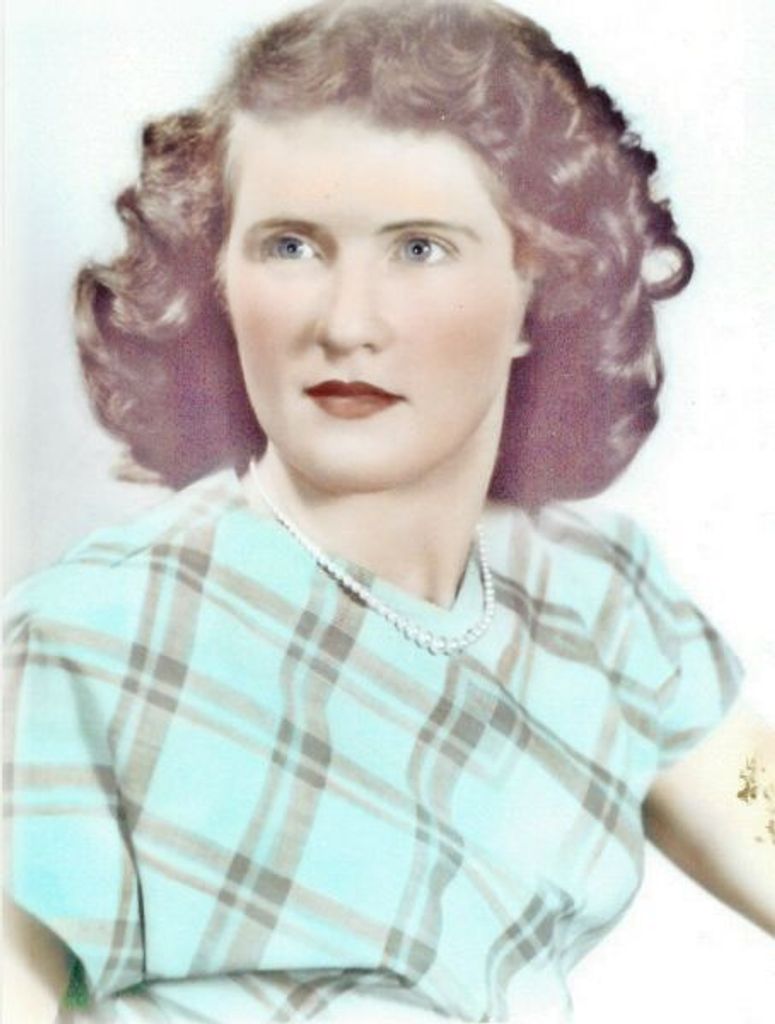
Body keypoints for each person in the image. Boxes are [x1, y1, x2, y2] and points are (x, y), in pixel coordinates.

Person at [4, 1, 773, 1021]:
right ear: (219, 277)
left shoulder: (605, 602)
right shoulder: (90, 637)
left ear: (539, 286)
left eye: (418, 249)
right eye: (290, 246)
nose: (346, 323)